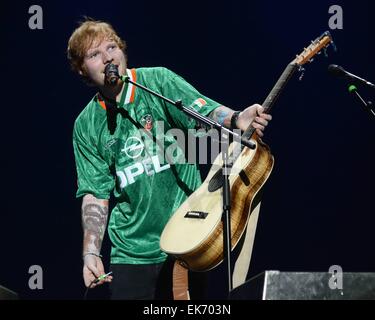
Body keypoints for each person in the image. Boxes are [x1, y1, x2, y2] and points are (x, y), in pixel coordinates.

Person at [67, 18, 272, 300]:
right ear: (82, 69)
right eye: (94, 54)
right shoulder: (86, 125)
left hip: (186, 240)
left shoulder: (158, 81)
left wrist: (237, 118)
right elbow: (95, 194)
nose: (107, 58)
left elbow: (204, 110)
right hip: (131, 254)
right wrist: (90, 252)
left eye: (111, 47)